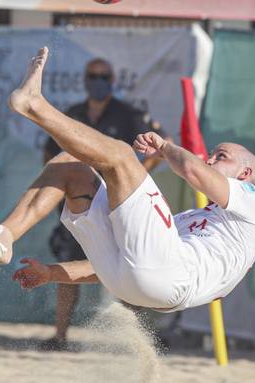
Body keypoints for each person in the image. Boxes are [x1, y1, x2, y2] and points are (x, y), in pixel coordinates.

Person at [0, 48, 255, 322]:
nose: (210, 158)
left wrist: (164, 148)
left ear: (244, 175)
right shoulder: (194, 220)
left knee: (122, 155)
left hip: (173, 279)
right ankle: (2, 237)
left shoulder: (254, 202)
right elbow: (128, 259)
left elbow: (192, 169)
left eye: (221, 155)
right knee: (70, 164)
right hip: (136, 283)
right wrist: (52, 273)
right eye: (213, 153)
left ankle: (34, 105)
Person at [40, 57, 165, 351]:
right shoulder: (73, 114)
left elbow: (157, 152)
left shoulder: (129, 115)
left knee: (131, 269)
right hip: (81, 203)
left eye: (103, 76)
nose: (97, 80)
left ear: (112, 80)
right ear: (85, 80)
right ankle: (60, 336)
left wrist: (130, 184)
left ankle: (133, 339)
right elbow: (49, 156)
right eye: (93, 75)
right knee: (68, 268)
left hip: (119, 204)